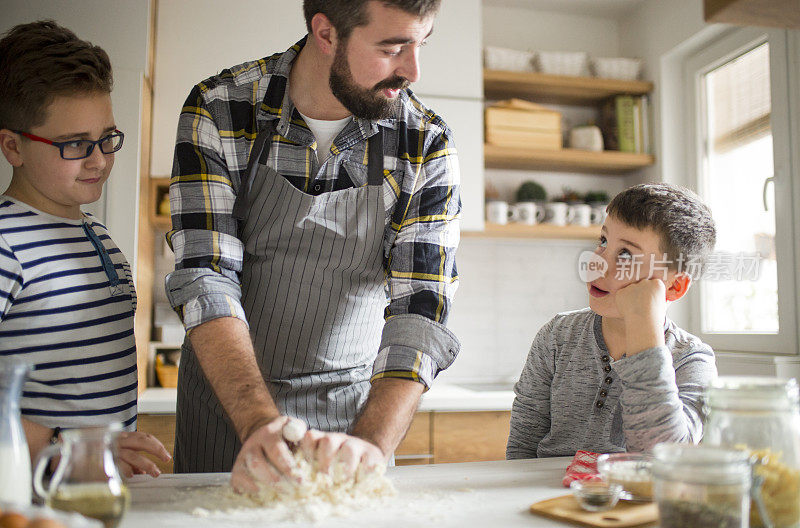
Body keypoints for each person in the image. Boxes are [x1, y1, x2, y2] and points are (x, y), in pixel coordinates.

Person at [166, 0, 461, 490]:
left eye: (420, 45)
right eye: (392, 48)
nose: (412, 70)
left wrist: (370, 444)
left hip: (351, 416)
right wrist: (258, 424)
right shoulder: (223, 108)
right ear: (325, 34)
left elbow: (421, 307)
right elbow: (206, 275)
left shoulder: (424, 142)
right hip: (225, 413)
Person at [0, 20, 170, 477]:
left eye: (107, 137)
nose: (99, 159)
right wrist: (73, 450)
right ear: (13, 146)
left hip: (97, 501)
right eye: (75, 144)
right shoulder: (5, 245)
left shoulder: (97, 235)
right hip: (37, 511)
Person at [507, 183, 718, 459]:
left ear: (674, 287)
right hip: (546, 498)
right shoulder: (557, 336)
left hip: (634, 501)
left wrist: (643, 320)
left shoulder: (692, 360)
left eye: (626, 254)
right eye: (603, 241)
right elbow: (522, 446)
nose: (598, 263)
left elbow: (666, 458)